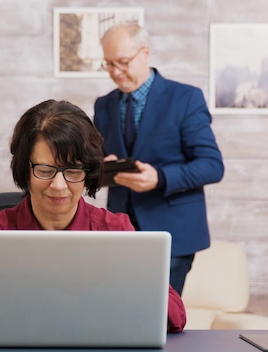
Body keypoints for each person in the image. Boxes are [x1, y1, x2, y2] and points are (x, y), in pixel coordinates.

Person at [0, 99, 186, 334]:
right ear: (24, 169)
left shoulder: (114, 229)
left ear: (88, 173)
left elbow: (171, 310)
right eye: (44, 170)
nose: (59, 185)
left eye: (73, 171)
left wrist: (40, 313)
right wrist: (77, 314)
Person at [93, 23, 224, 295]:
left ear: (145, 53)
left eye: (123, 62)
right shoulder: (103, 105)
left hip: (172, 232)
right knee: (117, 313)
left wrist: (160, 178)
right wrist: (102, 164)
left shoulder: (185, 98)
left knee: (160, 321)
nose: (116, 72)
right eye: (108, 64)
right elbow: (94, 163)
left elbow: (212, 165)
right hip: (118, 233)